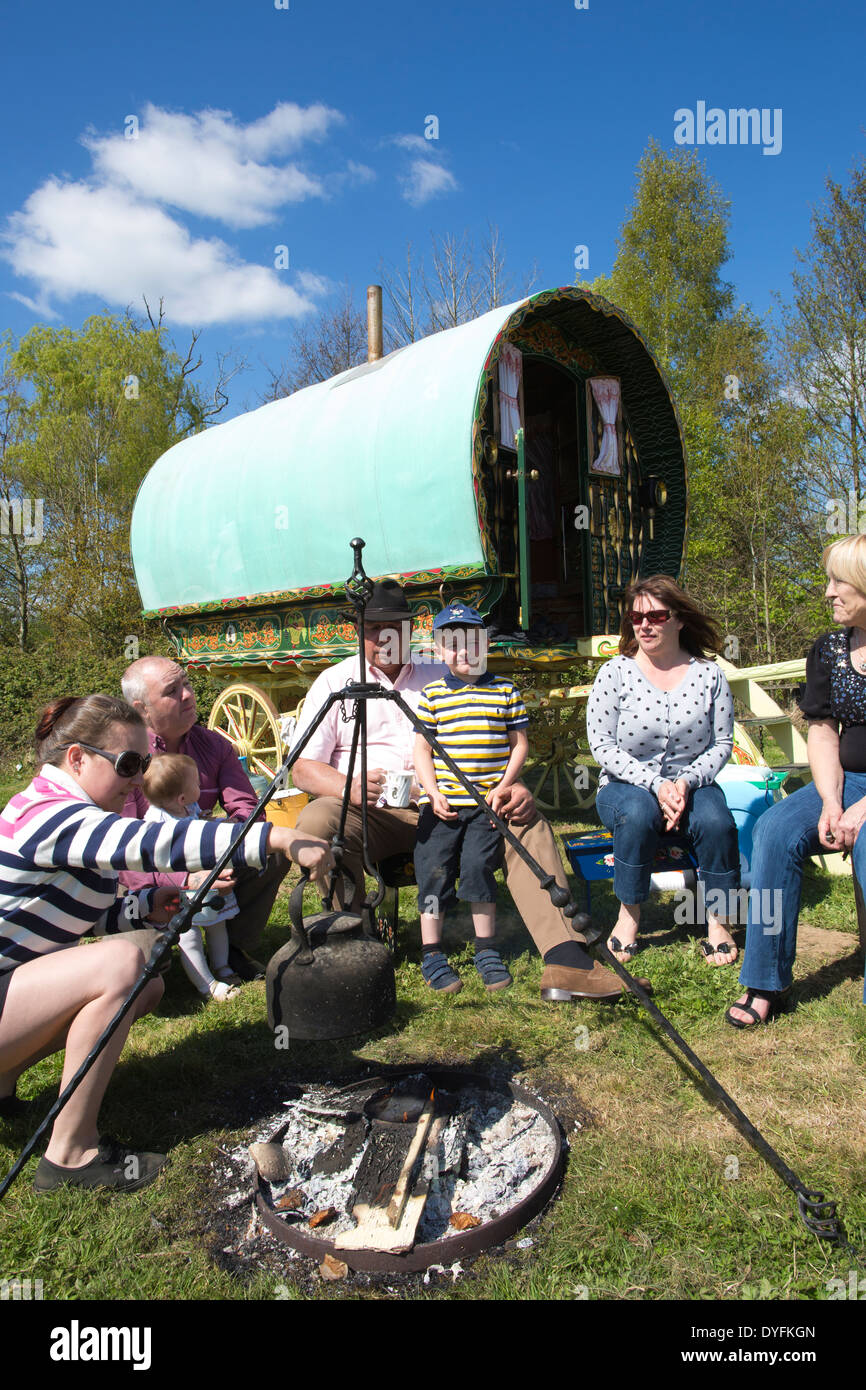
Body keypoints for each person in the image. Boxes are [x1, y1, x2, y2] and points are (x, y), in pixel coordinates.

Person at [0, 694, 333, 1192]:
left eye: (144, 764)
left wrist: (145, 904)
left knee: (147, 982)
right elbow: (156, 842)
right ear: (77, 758)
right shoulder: (49, 813)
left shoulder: (65, 811)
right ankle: (70, 1154)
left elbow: (77, 916)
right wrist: (275, 839)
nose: (139, 780)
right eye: (129, 764)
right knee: (122, 965)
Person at [291, 579, 628, 1003]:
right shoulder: (335, 683)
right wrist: (350, 787)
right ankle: (351, 943)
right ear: (357, 631)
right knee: (319, 819)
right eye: (374, 627)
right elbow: (300, 768)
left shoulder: (447, 672)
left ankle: (566, 959)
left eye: (395, 626)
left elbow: (501, 739)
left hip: (459, 804)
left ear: (411, 631)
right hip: (374, 812)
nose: (385, 637)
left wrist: (516, 785)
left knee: (527, 821)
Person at [727, 534, 866, 1027]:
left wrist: (861, 811)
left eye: (838, 580)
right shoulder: (830, 648)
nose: (828, 591)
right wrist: (832, 800)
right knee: (774, 830)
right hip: (847, 780)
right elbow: (824, 732)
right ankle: (763, 980)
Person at [587, 576, 740, 965]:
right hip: (626, 785)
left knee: (717, 821)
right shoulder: (614, 673)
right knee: (639, 814)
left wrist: (685, 782)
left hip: (693, 781)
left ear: (679, 619)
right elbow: (601, 745)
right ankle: (629, 914)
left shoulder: (710, 675)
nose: (644, 625)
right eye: (636, 617)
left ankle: (719, 921)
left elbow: (722, 743)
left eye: (656, 615)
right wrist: (656, 785)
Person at [119, 656, 289, 981]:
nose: (187, 695)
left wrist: (224, 855)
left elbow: (247, 812)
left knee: (270, 849)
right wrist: (182, 881)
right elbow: (122, 848)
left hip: (205, 860)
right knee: (145, 971)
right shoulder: (126, 760)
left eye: (187, 684)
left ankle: (232, 947)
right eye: (172, 691)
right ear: (142, 710)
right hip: (142, 879)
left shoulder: (214, 746)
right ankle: (170, 943)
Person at [413, 602, 529, 993]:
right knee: (433, 870)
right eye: (452, 644)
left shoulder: (505, 691)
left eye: (471, 642)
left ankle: (485, 948)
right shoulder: (432, 695)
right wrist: (431, 792)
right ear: (439, 650)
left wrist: (504, 785)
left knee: (479, 867)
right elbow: (422, 751)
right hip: (443, 806)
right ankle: (431, 951)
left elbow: (519, 745)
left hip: (486, 806)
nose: (463, 652)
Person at [141, 754, 242, 1002]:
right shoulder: (157, 821)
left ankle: (222, 966)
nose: (201, 786)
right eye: (196, 783)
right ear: (182, 797)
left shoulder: (189, 807)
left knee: (217, 921)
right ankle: (206, 984)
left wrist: (217, 823)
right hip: (179, 887)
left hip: (206, 878)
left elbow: (199, 823)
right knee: (189, 935)